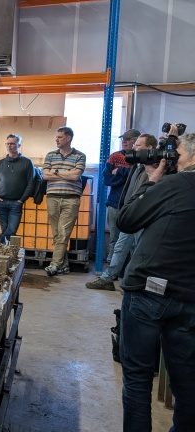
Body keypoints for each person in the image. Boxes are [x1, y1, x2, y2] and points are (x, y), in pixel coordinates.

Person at [117, 129, 195, 432]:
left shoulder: (177, 183)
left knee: (137, 379)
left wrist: (152, 180)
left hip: (149, 292)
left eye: (180, 154)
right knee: (187, 382)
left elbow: (127, 220)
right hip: (189, 299)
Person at [86, 133, 156, 291]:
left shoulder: (151, 168)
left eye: (138, 145)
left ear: (150, 148)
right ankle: (112, 278)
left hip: (139, 214)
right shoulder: (137, 166)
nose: (133, 147)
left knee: (134, 248)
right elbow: (108, 178)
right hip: (129, 211)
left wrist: (119, 172)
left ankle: (128, 281)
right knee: (121, 245)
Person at [42, 126, 86, 276]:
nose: (57, 140)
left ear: (68, 138)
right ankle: (64, 266)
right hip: (52, 197)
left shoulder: (80, 156)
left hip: (71, 199)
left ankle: (54, 264)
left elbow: (76, 176)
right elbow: (45, 176)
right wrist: (65, 173)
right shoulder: (50, 155)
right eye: (56, 137)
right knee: (57, 234)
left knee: (63, 233)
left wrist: (55, 172)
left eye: (60, 137)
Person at [0, 133, 36, 244]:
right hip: (1, 202)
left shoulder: (27, 162)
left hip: (16, 202)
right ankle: (5, 253)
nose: (10, 146)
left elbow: (31, 182)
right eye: (8, 144)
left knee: (11, 230)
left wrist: (21, 200)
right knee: (6, 230)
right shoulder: (1, 163)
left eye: (13, 144)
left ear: (19, 145)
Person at [103, 129, 139, 263]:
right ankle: (111, 269)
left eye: (128, 139)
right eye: (123, 139)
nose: (124, 141)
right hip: (114, 202)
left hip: (134, 205)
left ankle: (130, 271)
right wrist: (126, 177)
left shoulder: (141, 158)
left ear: (136, 140)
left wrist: (120, 171)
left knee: (134, 241)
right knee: (114, 239)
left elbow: (138, 178)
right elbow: (107, 179)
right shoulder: (115, 156)